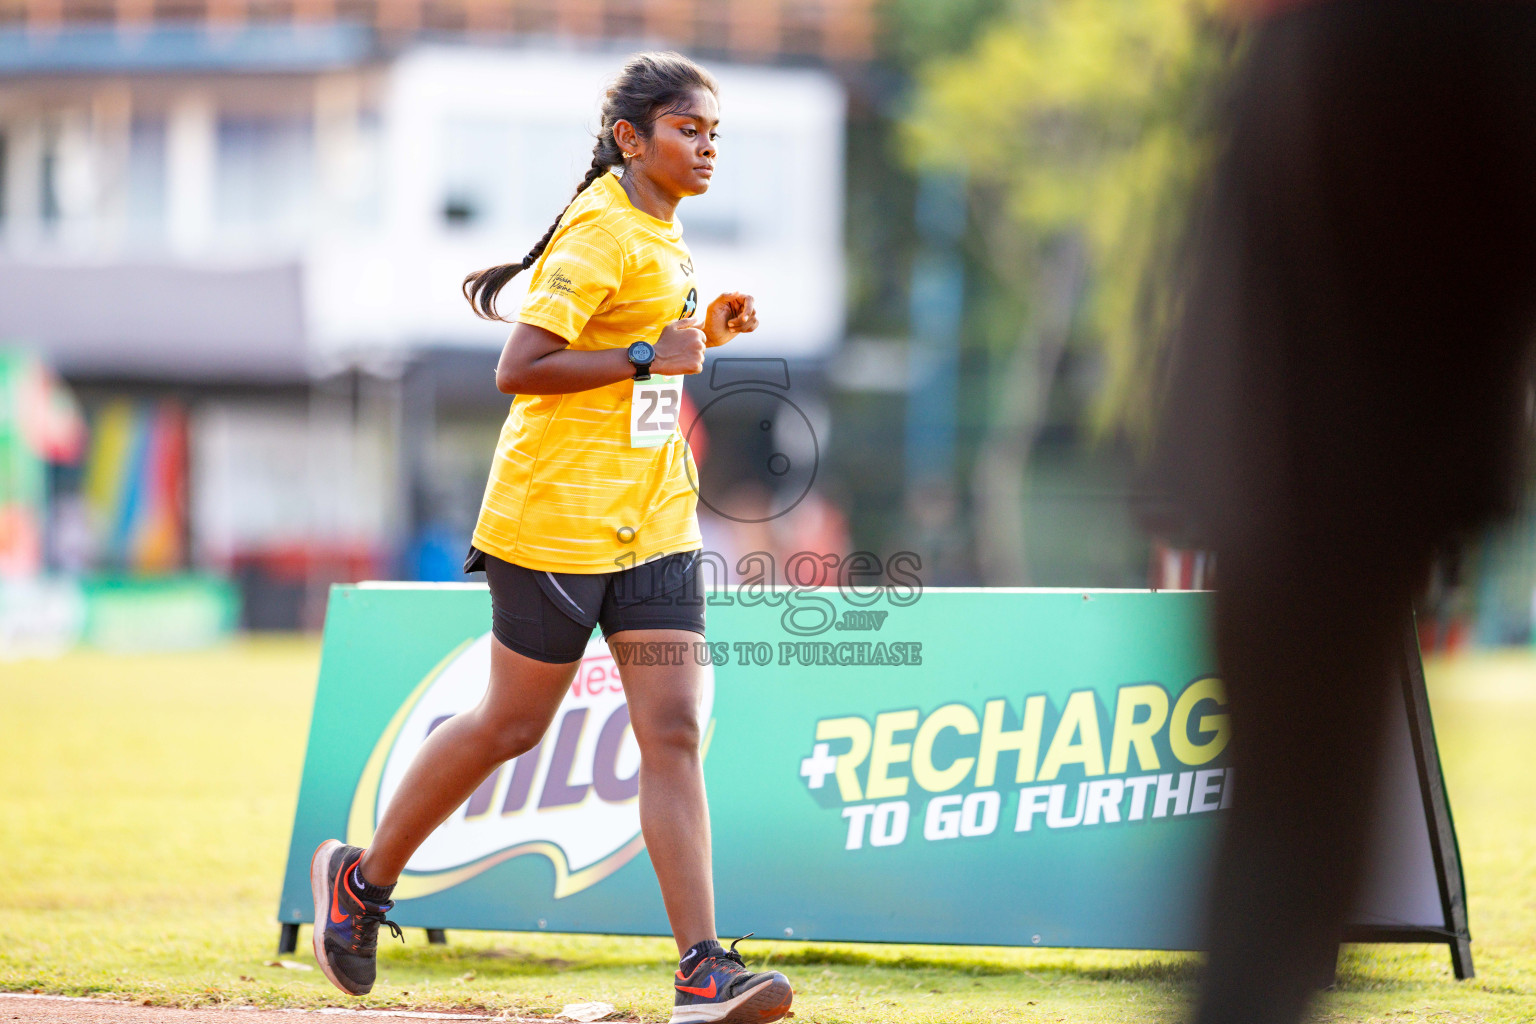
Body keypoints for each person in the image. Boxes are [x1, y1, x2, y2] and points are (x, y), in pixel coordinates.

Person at [309, 51, 793, 1024]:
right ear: (630, 137)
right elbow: (521, 363)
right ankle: (361, 883)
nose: (705, 148)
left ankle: (702, 970)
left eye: (714, 134)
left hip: (652, 522)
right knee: (512, 724)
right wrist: (655, 349)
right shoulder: (599, 227)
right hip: (554, 523)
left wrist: (700, 333)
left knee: (672, 729)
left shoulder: (663, 226)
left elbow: (637, 357)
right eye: (688, 130)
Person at [1146, 3, 1536, 1023]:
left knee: (1283, 842)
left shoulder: (1313, 44)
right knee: (1291, 842)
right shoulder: (1387, 40)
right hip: (1331, 455)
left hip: (1294, 452)